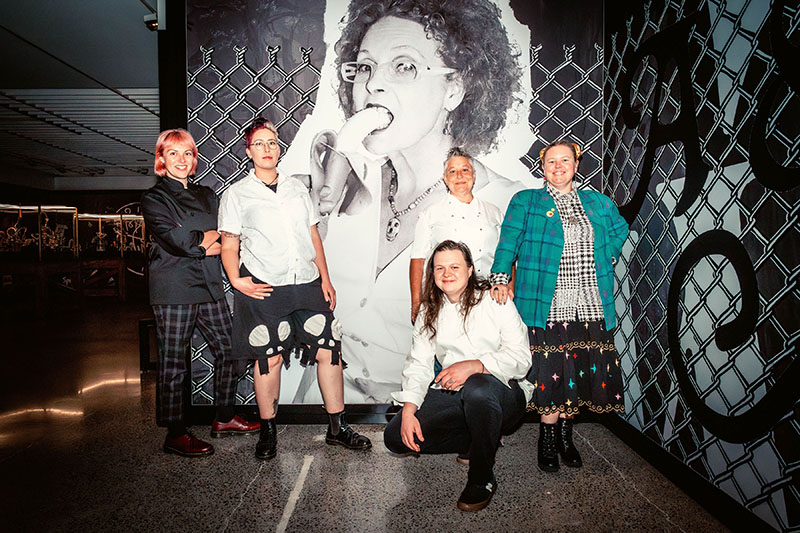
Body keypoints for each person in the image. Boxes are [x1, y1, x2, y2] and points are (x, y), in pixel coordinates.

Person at [289, 0, 531, 404]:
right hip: (322, 405)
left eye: (404, 66)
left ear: (455, 88)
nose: (373, 85)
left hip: (432, 406)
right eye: (364, 67)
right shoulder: (340, 186)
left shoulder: (504, 206)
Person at [218, 117, 371, 460]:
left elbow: (313, 234)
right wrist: (236, 279)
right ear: (248, 151)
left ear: (279, 148)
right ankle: (269, 432)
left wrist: (326, 278)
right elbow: (229, 243)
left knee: (329, 351)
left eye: (272, 142)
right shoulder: (237, 194)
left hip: (306, 283)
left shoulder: (297, 189)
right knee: (267, 359)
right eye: (259, 143)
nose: (267, 149)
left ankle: (337, 428)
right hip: (265, 288)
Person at [490, 140, 629, 472]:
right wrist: (499, 277)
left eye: (565, 160)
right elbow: (508, 241)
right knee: (551, 374)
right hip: (547, 302)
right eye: (551, 161)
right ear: (543, 167)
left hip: (590, 303)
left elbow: (619, 228)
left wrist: (606, 253)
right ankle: (547, 440)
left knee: (577, 371)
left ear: (576, 164)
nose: (558, 166)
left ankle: (567, 437)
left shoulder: (595, 201)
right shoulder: (527, 201)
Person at [384, 240, 532, 512]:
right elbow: (419, 363)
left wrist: (476, 364)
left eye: (454, 266)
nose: (446, 273)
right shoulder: (430, 309)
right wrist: (408, 410)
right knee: (395, 437)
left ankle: (481, 476)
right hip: (453, 393)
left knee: (478, 387)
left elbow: (521, 360)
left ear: (470, 270)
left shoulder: (494, 299)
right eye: (439, 268)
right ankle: (478, 437)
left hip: (503, 393)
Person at [141, 128, 260, 457]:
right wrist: (202, 240)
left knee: (233, 351)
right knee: (174, 364)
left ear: (195, 160)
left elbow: (222, 236)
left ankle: (223, 417)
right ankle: (175, 433)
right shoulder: (154, 199)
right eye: (174, 153)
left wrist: (203, 239)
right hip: (174, 289)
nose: (181, 159)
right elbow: (178, 242)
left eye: (188, 153)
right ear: (161, 159)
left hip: (208, 286)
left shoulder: (208, 194)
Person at [409, 147, 503, 323]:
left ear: (474, 176)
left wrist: (507, 290)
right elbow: (418, 259)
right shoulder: (431, 213)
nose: (459, 176)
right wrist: (416, 302)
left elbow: (506, 256)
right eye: (452, 171)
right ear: (445, 179)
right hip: (444, 300)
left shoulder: (494, 212)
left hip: (487, 298)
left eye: (465, 170)